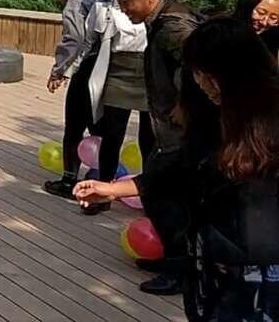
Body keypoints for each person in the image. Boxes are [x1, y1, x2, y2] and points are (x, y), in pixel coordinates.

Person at [73, 18, 279, 320]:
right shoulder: (211, 118)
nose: (202, 82)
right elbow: (178, 170)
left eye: (208, 73)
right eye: (197, 73)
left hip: (263, 264)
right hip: (213, 259)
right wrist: (113, 190)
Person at [113, 0, 204, 295]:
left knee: (161, 196)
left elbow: (200, 62)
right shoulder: (163, 20)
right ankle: (173, 259)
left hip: (181, 134)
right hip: (171, 131)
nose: (124, 11)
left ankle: (178, 269)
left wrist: (186, 102)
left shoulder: (172, 27)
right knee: (167, 195)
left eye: (127, 2)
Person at [66, 0, 156, 215]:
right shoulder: (104, 4)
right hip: (117, 68)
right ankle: (102, 193)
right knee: (111, 134)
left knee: (150, 137)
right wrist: (72, 69)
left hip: (151, 70)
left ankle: (152, 196)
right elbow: (89, 42)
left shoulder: (159, 2)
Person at [41, 0, 108, 200]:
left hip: (85, 70)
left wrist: (58, 71)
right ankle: (102, 178)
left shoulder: (74, 3)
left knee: (74, 127)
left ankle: (69, 180)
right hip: (104, 68)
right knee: (98, 127)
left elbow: (74, 40)